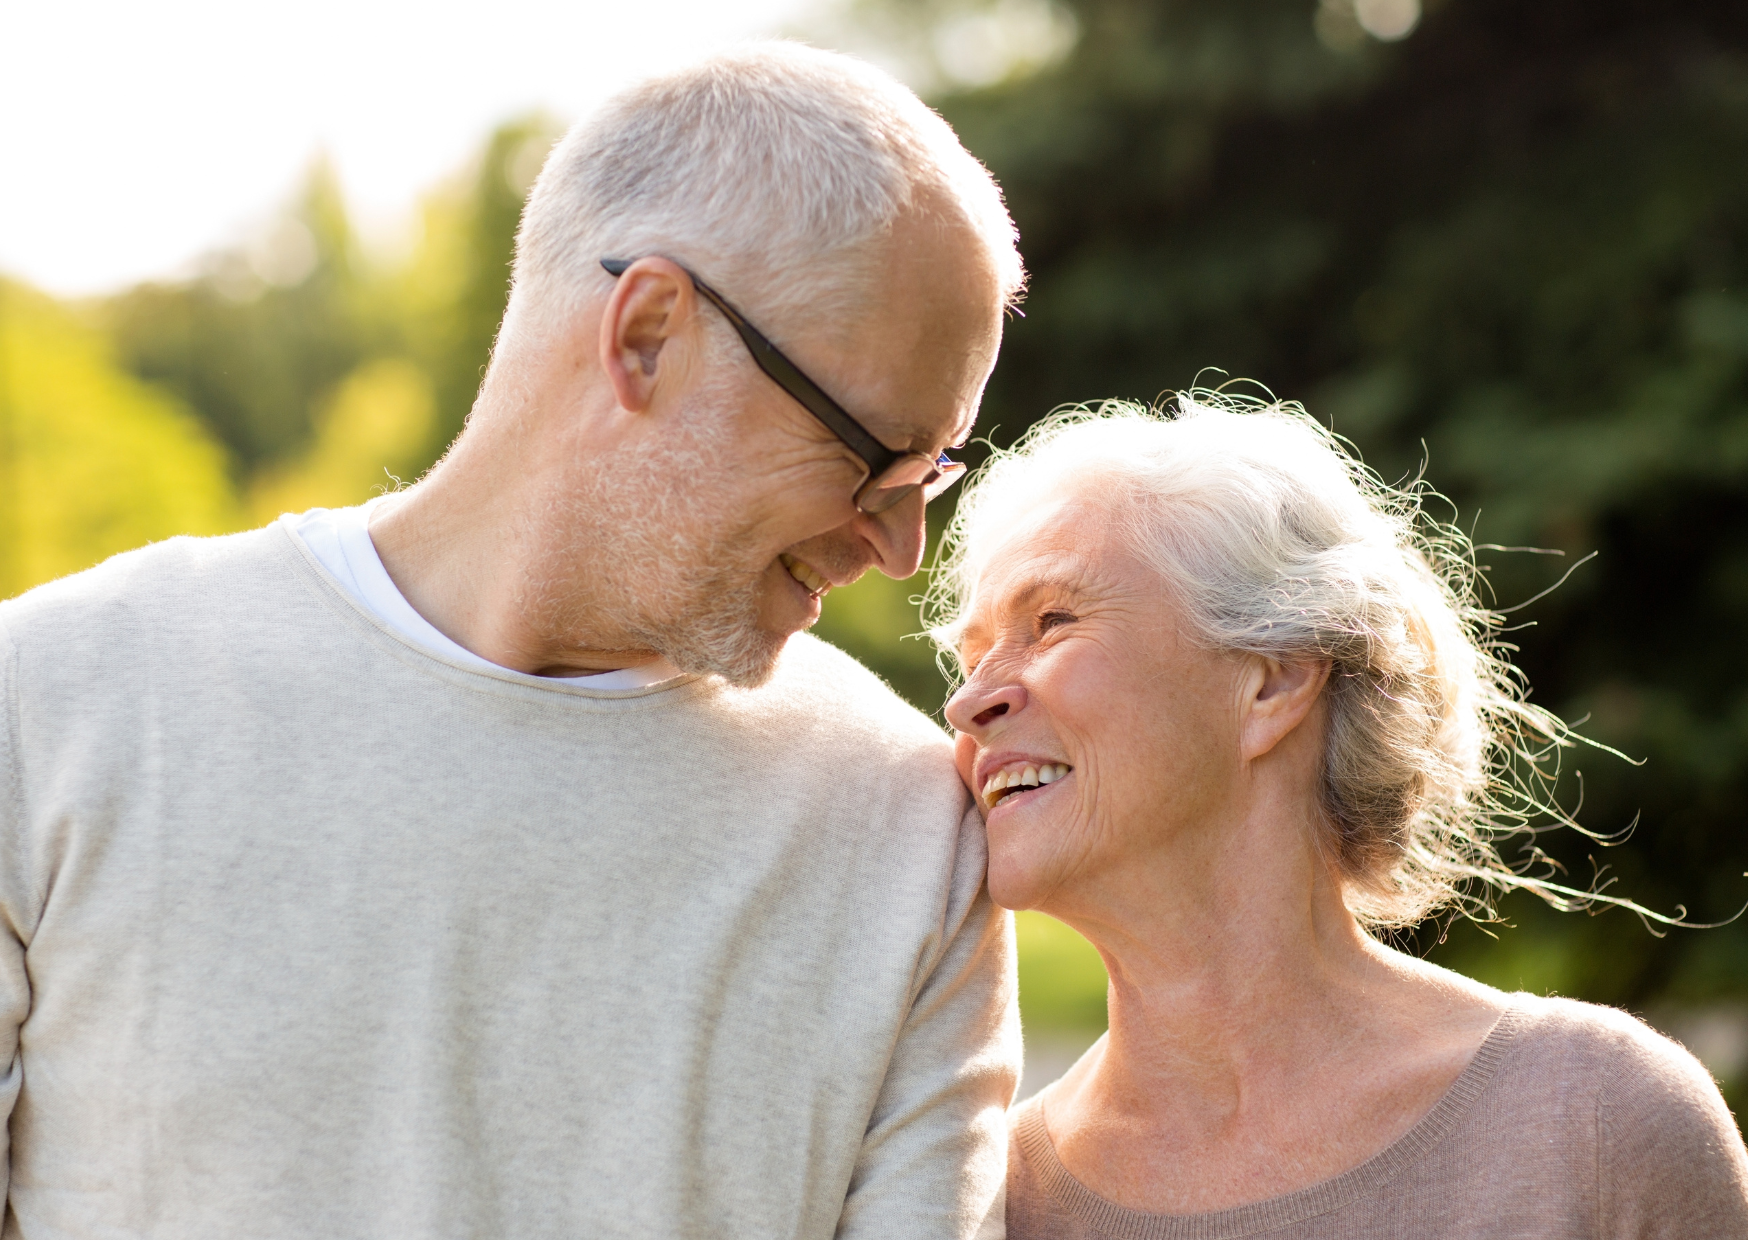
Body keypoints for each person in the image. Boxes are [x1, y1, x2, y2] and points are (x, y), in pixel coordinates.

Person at [0, 43, 1027, 1237]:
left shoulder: (907, 833)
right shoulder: (52, 705)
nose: (900, 543)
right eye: (872, 456)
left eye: (931, 473)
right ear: (646, 335)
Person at [935, 394, 1748, 1238]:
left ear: (1274, 681)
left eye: (1052, 621)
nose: (968, 702)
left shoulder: (1597, 1125)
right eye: (970, 654)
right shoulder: (984, 1200)